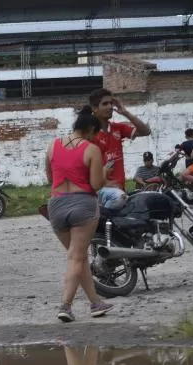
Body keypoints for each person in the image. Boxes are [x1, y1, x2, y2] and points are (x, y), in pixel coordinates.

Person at [44, 106, 115, 323]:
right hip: (83, 204)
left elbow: (49, 178)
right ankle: (65, 306)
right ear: (90, 129)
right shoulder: (91, 149)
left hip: (56, 205)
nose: (96, 137)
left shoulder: (52, 145)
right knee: (76, 257)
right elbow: (96, 184)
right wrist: (104, 173)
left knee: (78, 257)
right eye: (96, 132)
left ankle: (96, 303)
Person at [88, 87, 151, 210]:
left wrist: (125, 112)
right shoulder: (89, 133)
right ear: (95, 108)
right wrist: (106, 183)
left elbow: (146, 131)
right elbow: (85, 167)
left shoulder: (118, 128)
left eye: (111, 103)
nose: (110, 106)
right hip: (102, 192)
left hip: (119, 191)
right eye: (105, 103)